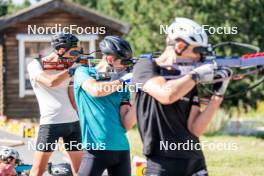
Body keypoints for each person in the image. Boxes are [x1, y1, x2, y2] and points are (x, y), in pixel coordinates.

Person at [132, 17, 232, 176]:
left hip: (195, 163)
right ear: (179, 46)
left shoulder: (187, 79)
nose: (200, 59)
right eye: (198, 51)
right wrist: (196, 76)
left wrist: (218, 95)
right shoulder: (145, 66)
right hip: (160, 164)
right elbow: (166, 94)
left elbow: (195, 129)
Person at [74, 36, 136, 176]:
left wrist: (142, 96)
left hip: (121, 148)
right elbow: (96, 90)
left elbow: (126, 123)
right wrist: (122, 81)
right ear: (109, 59)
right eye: (124, 62)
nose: (126, 66)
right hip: (96, 148)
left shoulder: (122, 83)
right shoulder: (84, 72)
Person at [27, 33, 83, 176]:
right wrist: (72, 70)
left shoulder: (70, 65)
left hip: (73, 123)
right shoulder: (35, 65)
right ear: (61, 50)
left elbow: (72, 96)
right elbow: (50, 82)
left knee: (80, 171)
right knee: (38, 170)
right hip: (51, 124)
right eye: (73, 52)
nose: (75, 56)